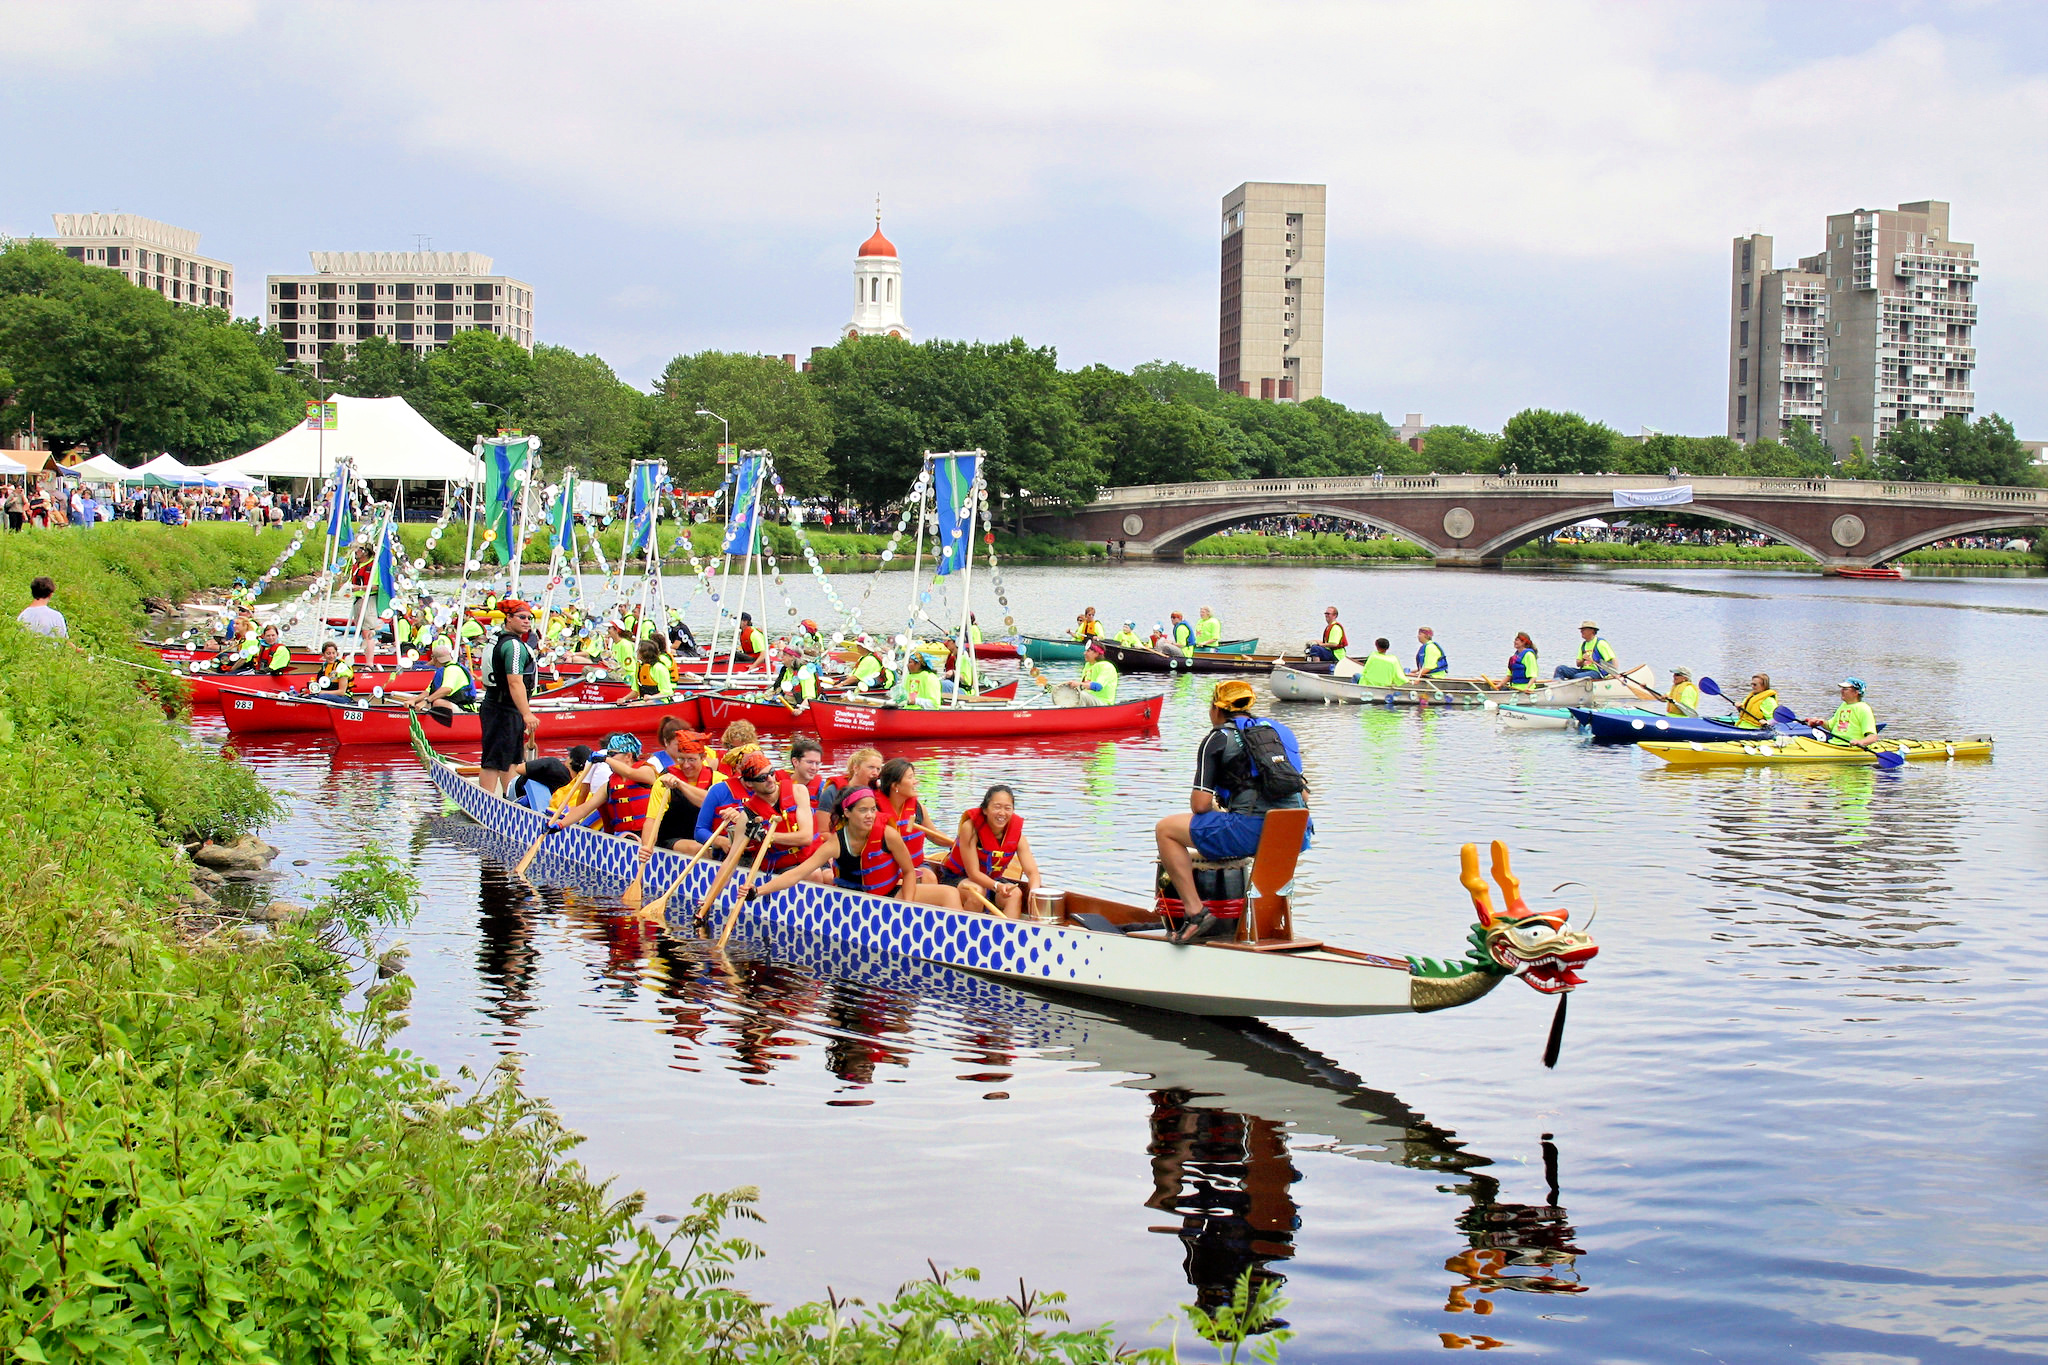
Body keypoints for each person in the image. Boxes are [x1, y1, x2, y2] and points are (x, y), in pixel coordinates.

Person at [1154, 679, 1311, 945]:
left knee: (1166, 830)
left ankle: (1195, 912)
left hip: (1252, 831)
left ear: (1216, 708)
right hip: (1296, 831)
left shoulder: (1217, 738)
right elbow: (1303, 794)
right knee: (1243, 824)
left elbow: (1200, 806)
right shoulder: (1280, 732)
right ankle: (1270, 927)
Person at [743, 785, 924, 902]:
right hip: (853, 901)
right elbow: (797, 874)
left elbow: (909, 872)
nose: (870, 815)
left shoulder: (888, 834)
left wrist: (906, 907)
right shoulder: (836, 843)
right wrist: (758, 891)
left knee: (940, 893)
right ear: (847, 813)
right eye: (863, 810)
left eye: (873, 809)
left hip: (889, 895)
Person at [939, 784, 1041, 918]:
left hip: (992, 880)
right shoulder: (970, 828)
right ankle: (968, 928)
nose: (1002, 813)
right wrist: (997, 886)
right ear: (985, 809)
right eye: (997, 807)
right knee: (977, 891)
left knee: (1015, 893)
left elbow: (1033, 873)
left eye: (1007, 808)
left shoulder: (1018, 837)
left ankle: (1008, 929)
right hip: (958, 878)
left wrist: (1034, 893)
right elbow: (973, 873)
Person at [477, 599, 541, 796]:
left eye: (529, 618)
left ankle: (509, 797)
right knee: (493, 760)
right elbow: (515, 682)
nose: (527, 621)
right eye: (522, 617)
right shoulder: (513, 646)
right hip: (502, 709)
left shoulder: (499, 639)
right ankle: (486, 801)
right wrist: (527, 714)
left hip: (501, 706)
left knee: (512, 759)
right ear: (509, 618)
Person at [874, 758, 959, 899]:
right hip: (886, 868)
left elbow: (933, 835)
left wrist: (958, 843)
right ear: (895, 785)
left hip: (916, 864)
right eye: (910, 777)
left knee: (929, 877)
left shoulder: (918, 808)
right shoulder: (874, 811)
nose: (916, 781)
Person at [552, 732, 655, 839]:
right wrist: (560, 825)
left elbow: (629, 773)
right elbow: (584, 809)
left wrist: (605, 759)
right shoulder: (608, 785)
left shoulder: (647, 771)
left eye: (612, 754)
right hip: (624, 836)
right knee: (625, 836)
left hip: (649, 834)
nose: (609, 758)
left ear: (628, 756)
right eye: (607, 754)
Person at [398, 639, 478, 720]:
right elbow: (428, 692)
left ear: (434, 659)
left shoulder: (452, 669)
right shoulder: (442, 671)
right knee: (424, 702)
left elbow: (447, 689)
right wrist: (414, 700)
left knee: (437, 702)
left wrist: (426, 701)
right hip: (452, 706)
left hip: (464, 709)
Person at [1804, 677, 1878, 746]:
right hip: (1834, 744)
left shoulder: (1863, 708)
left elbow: (1873, 737)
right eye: (1842, 688)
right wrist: (1820, 722)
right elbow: (1830, 726)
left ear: (1856, 692)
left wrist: (1860, 742)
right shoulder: (1843, 706)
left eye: (1845, 689)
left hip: (1850, 747)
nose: (1841, 691)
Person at [818, 747, 883, 818]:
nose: (875, 773)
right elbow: (823, 824)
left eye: (878, 769)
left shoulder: (880, 792)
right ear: (856, 768)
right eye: (871, 767)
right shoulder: (833, 792)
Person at [1064, 639, 1118, 705]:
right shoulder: (1088, 665)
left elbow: (1098, 686)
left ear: (1096, 653)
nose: (1084, 653)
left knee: (1082, 695)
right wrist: (1070, 686)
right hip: (1089, 699)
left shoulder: (1106, 666)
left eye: (1088, 651)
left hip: (1103, 703)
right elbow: (1083, 686)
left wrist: (1078, 684)